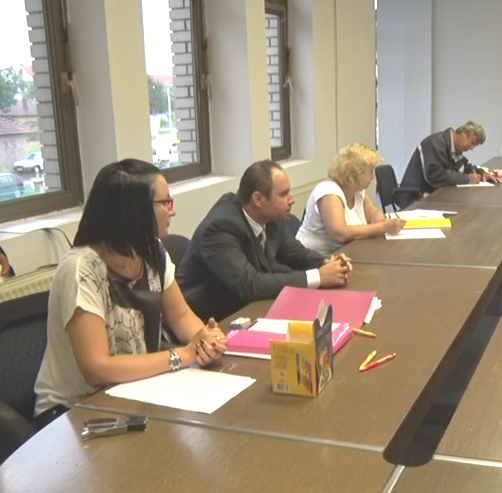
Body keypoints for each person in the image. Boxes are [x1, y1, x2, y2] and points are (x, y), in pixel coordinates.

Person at [33, 159, 228, 428]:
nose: (173, 211)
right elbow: (97, 369)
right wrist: (184, 355)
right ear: (136, 210)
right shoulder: (81, 269)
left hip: (133, 391)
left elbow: (180, 316)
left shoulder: (152, 251)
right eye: (166, 202)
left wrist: (204, 340)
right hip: (72, 412)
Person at [177, 160, 351, 321]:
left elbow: (295, 253)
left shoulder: (271, 217)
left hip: (249, 308)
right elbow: (249, 284)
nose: (291, 200)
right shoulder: (220, 228)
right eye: (283, 194)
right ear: (258, 199)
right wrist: (318, 276)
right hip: (211, 319)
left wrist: (328, 264)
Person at [296, 143, 406, 255]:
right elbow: (340, 234)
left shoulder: (356, 190)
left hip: (347, 253)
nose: (373, 177)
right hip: (315, 258)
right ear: (356, 172)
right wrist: (383, 227)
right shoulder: (329, 192)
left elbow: (373, 214)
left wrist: (381, 222)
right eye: (370, 171)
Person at [396, 121, 499, 208]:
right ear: (464, 133)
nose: (472, 148)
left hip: (434, 195)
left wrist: (482, 174)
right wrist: (467, 179)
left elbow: (463, 167)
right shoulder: (435, 143)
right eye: (472, 143)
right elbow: (435, 176)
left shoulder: (453, 147)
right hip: (415, 198)